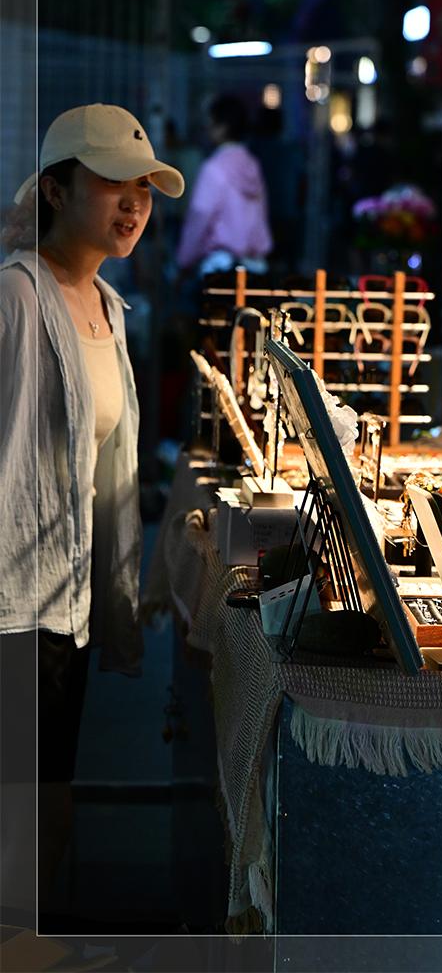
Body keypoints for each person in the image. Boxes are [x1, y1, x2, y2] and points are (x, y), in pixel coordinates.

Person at [0, 103, 184, 913]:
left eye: (143, 188)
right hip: (12, 604)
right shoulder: (16, 297)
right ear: (54, 189)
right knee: (25, 816)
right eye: (112, 182)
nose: (133, 203)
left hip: (64, 601)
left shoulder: (107, 306)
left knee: (49, 806)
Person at [177, 92, 273, 278]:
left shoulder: (214, 168)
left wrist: (184, 259)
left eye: (210, 123)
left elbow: (200, 215)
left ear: (222, 127)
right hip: (256, 265)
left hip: (220, 268)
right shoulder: (252, 165)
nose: (207, 128)